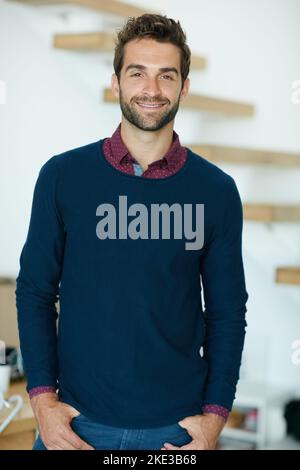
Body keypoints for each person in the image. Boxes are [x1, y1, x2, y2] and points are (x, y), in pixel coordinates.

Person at [15, 13, 248, 451]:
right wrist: (43, 403)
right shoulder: (63, 177)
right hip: (75, 427)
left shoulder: (216, 191)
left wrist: (215, 417)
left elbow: (227, 313)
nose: (152, 90)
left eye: (167, 75)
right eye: (137, 73)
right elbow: (34, 293)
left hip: (174, 434)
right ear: (116, 82)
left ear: (184, 86)